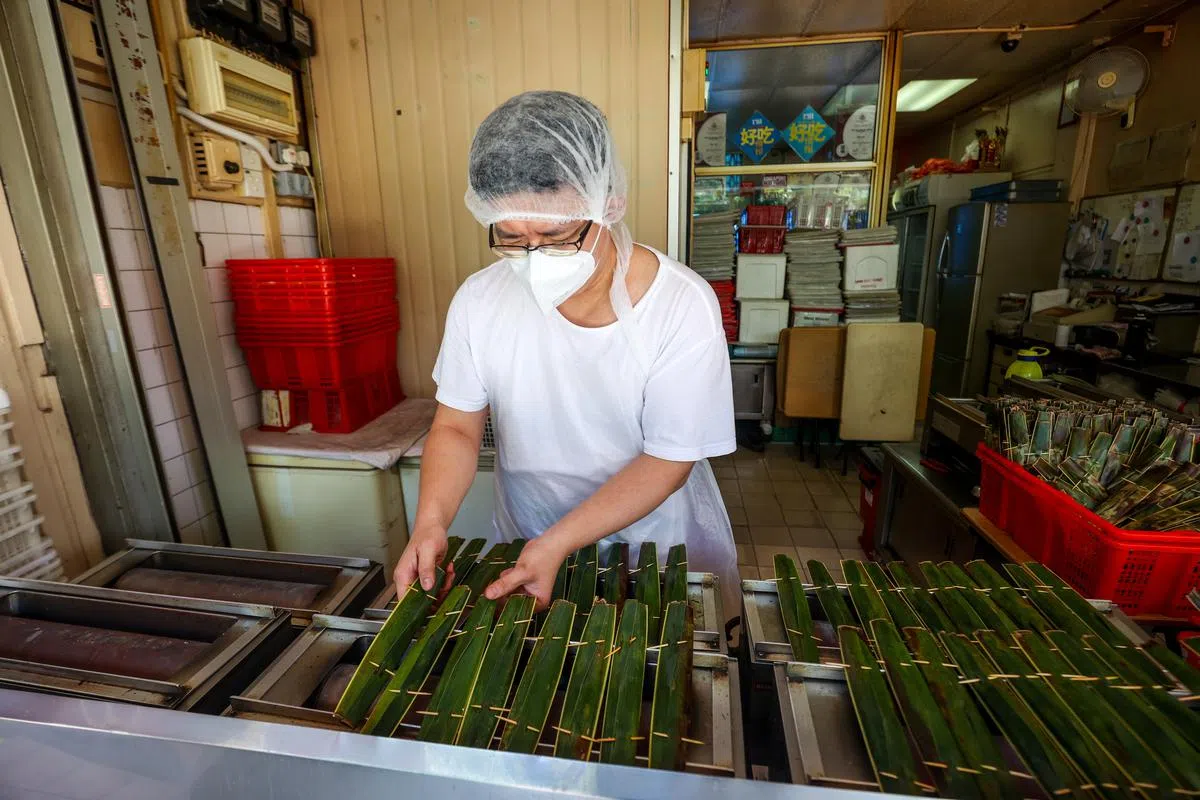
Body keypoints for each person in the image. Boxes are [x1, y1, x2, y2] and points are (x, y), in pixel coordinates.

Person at [393, 90, 738, 618]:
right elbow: (457, 427)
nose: (533, 258)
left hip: (646, 547)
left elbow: (669, 457)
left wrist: (559, 542)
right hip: (526, 538)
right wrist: (431, 522)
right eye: (511, 237)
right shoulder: (480, 299)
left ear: (609, 204)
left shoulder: (679, 304)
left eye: (555, 237)